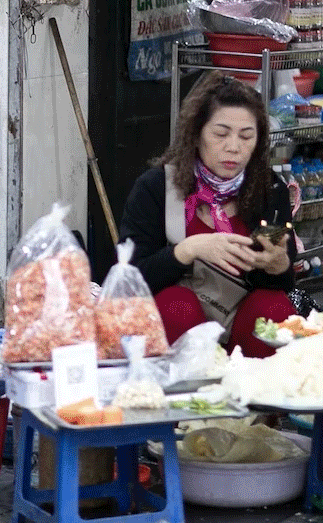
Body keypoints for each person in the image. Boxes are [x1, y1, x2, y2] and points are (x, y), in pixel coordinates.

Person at [120, 71, 298, 357]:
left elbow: (281, 284)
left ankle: (257, 390)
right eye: (220, 133)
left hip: (240, 316)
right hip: (179, 321)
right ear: (197, 133)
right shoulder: (155, 188)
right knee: (176, 304)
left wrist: (279, 265)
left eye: (246, 136)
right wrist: (189, 249)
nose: (233, 147)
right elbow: (130, 279)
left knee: (274, 309)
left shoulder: (270, 189)